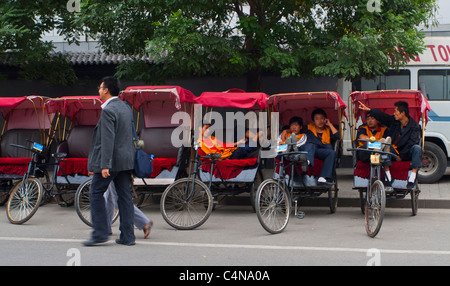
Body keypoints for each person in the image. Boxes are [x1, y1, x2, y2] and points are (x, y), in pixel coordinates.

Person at [83, 76, 136, 247]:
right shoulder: (124, 108)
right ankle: (128, 237)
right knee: (125, 197)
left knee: (96, 192)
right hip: (125, 161)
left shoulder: (108, 111)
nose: (98, 90)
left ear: (106, 90)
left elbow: (107, 139)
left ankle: (100, 233)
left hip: (111, 162)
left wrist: (105, 164)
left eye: (100, 87)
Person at [358, 100, 422, 188]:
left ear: (402, 113)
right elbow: (383, 116)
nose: (394, 113)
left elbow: (412, 143)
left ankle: (412, 177)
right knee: (385, 145)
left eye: (395, 111)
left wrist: (402, 156)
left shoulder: (415, 126)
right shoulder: (394, 121)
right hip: (392, 151)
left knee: (417, 148)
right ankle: (388, 176)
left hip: (406, 153)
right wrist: (369, 110)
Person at [307, 108, 339, 185]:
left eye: (322, 118)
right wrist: (285, 131)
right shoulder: (308, 128)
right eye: (317, 119)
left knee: (331, 152)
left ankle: (323, 177)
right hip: (312, 150)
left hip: (323, 151)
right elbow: (296, 129)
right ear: (313, 121)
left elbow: (337, 137)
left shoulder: (328, 129)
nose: (320, 121)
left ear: (325, 119)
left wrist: (330, 124)